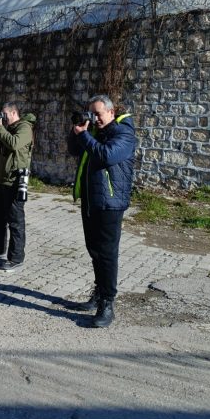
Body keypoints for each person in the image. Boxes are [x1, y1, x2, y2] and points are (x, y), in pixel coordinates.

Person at [67, 94, 136, 328]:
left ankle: (107, 303)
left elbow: (107, 155)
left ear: (111, 112)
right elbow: (73, 150)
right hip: (91, 199)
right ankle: (98, 293)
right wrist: (77, 130)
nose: (95, 118)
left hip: (110, 202)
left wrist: (86, 136)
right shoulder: (94, 132)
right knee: (94, 250)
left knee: (107, 254)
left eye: (98, 114)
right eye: (92, 113)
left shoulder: (124, 133)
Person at [0, 102, 37, 272]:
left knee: (15, 221)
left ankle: (16, 258)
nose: (2, 117)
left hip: (15, 180)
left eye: (4, 115)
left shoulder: (25, 128)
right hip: (2, 180)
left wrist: (0, 127)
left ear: (13, 113)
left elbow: (13, 143)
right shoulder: (7, 127)